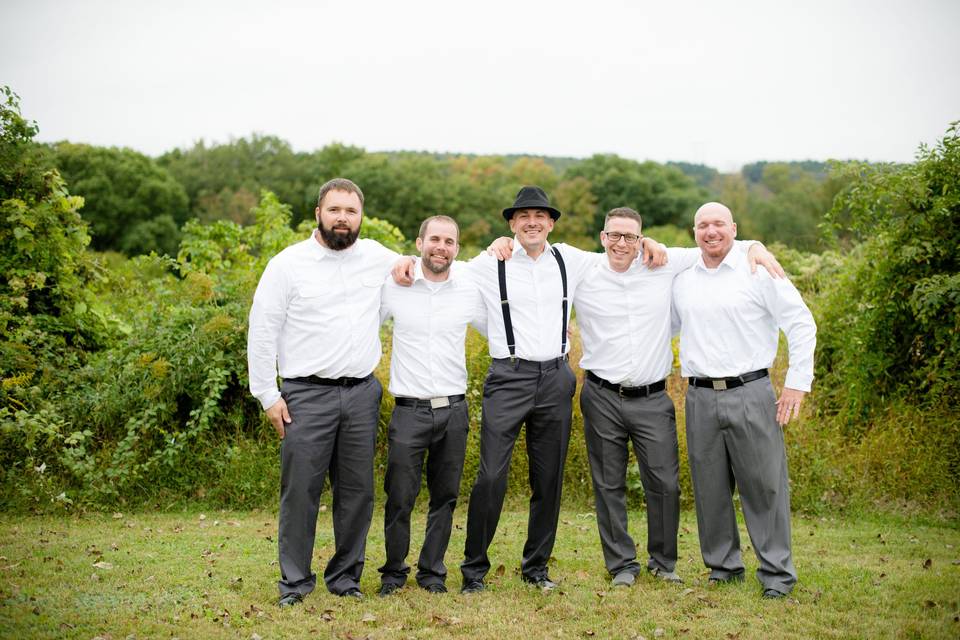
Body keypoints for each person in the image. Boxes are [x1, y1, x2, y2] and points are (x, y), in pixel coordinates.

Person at [457, 186, 666, 594]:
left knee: (548, 478)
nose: (531, 222)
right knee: (491, 476)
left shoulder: (571, 259)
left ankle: (536, 569)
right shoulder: (489, 262)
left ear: (551, 222)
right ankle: (473, 571)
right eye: (522, 216)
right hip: (509, 376)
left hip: (556, 377)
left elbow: (623, 251)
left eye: (540, 215)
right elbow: (440, 266)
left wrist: (651, 242)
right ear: (512, 224)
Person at [574, 207, 781, 588]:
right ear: (603, 238)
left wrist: (755, 245)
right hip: (601, 394)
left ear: (641, 239)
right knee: (608, 483)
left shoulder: (666, 263)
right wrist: (502, 244)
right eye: (615, 236)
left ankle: (663, 562)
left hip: (653, 396)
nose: (622, 243)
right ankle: (621, 564)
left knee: (665, 483)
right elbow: (532, 252)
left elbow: (715, 244)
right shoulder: (581, 269)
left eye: (631, 237)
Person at [247, 178, 410, 606]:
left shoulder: (377, 257)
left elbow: (421, 266)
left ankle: (345, 579)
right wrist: (267, 394)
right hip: (305, 395)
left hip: (361, 393)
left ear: (361, 217)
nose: (343, 218)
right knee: (300, 491)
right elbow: (262, 330)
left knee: (357, 493)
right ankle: (295, 584)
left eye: (351, 211)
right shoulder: (287, 265)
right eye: (335, 209)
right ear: (318, 211)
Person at [671, 202, 816, 600]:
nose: (711, 231)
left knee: (764, 486)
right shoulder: (683, 278)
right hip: (699, 395)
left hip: (751, 392)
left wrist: (796, 383)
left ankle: (776, 574)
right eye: (703, 225)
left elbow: (802, 323)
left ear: (734, 228)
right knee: (709, 487)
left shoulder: (759, 270)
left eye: (719, 223)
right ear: (694, 231)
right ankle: (723, 567)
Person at [377, 215, 485, 596]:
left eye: (449, 241)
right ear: (420, 242)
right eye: (434, 239)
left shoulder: (469, 289)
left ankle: (432, 572)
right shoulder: (394, 286)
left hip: (454, 410)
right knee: (400, 496)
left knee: (445, 496)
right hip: (409, 410)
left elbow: (503, 330)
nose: (441, 247)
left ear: (457, 248)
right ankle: (393, 573)